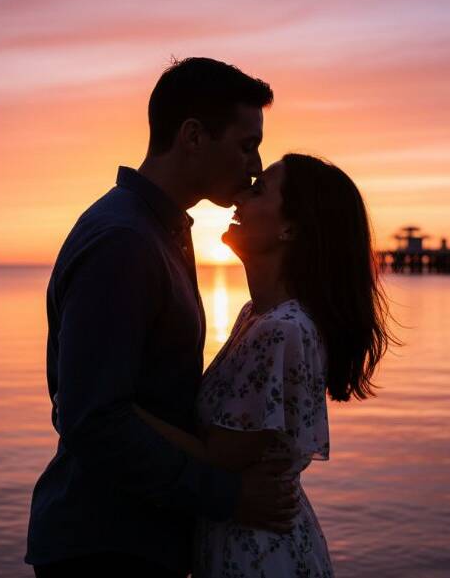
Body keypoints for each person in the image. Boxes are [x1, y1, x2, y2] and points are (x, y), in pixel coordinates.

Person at [26, 58, 300, 578]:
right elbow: (92, 418)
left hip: (140, 537)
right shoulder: (124, 242)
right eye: (247, 145)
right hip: (106, 547)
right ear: (193, 136)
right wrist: (229, 496)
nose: (257, 165)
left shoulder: (162, 230)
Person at [135, 153, 397, 576]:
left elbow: (218, 457)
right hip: (244, 540)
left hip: (258, 553)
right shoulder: (256, 316)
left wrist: (119, 409)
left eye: (258, 191)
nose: (240, 196)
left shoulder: (281, 330)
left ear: (289, 228)